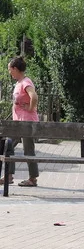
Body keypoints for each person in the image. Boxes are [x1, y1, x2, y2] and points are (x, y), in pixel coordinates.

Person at [6, 56, 39, 187]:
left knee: (28, 150)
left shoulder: (26, 82)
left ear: (15, 69)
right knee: (8, 146)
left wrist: (30, 108)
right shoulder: (19, 83)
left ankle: (32, 178)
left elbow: (34, 96)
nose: (9, 72)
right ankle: (9, 176)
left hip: (27, 123)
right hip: (18, 123)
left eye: (10, 70)